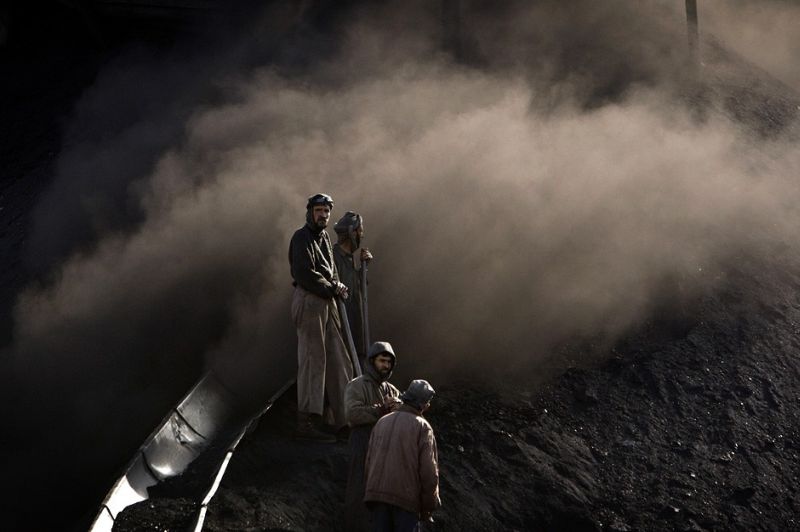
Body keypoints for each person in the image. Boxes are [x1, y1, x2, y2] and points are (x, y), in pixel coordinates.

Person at [289, 193, 354, 443]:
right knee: (312, 358)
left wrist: (338, 285)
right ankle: (308, 419)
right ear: (310, 212)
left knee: (339, 358)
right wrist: (331, 287)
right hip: (309, 300)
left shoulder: (324, 237)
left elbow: (331, 271)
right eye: (319, 210)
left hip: (327, 301)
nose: (323, 215)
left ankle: (345, 420)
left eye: (326, 211)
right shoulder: (301, 237)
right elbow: (304, 272)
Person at [364, 379, 441, 532]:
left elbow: (369, 462)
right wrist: (429, 506)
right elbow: (429, 473)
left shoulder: (381, 422)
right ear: (425, 404)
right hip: (405, 502)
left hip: (377, 498)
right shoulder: (423, 427)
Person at [344, 341, 401, 531]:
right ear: (372, 361)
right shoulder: (357, 385)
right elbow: (352, 414)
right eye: (382, 361)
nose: (385, 366)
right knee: (359, 490)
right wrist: (381, 409)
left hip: (385, 445)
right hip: (362, 442)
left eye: (389, 363)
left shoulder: (392, 390)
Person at [333, 211, 373, 361]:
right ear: (352, 232)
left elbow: (358, 293)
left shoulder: (350, 259)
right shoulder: (333, 257)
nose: (362, 235)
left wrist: (364, 269)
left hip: (356, 333)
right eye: (360, 231)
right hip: (342, 334)